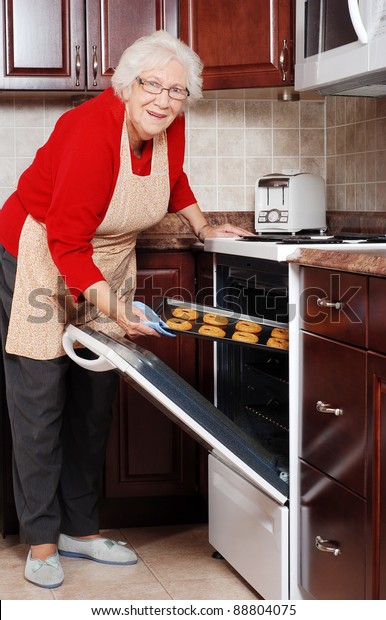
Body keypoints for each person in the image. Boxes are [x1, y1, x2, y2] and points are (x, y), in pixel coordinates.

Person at [0, 30, 252, 589]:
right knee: (41, 398)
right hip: (41, 252)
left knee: (94, 397)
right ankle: (42, 539)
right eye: (151, 85)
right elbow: (66, 242)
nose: (163, 100)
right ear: (125, 83)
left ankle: (81, 529)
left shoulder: (170, 124)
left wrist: (204, 226)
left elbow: (174, 181)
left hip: (107, 261)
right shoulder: (88, 130)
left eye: (177, 91)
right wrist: (116, 309)